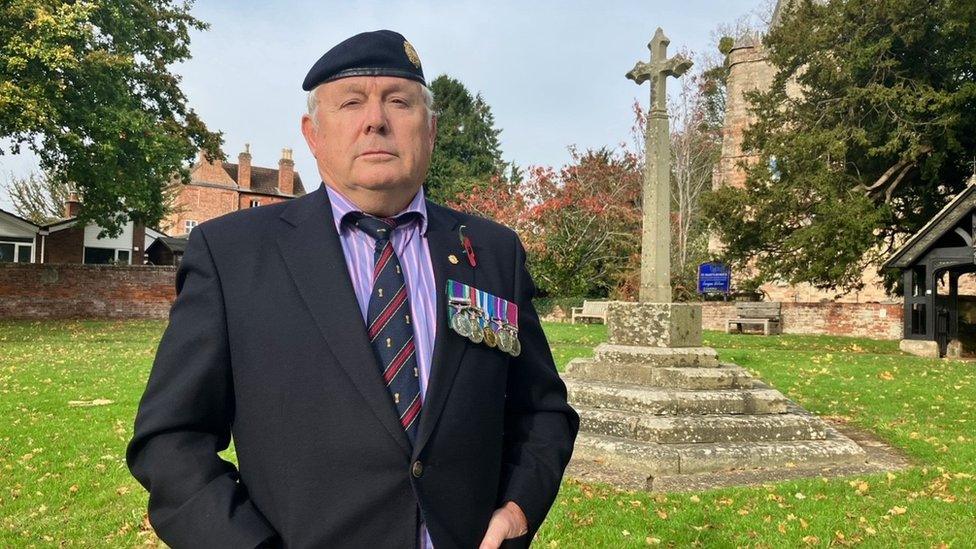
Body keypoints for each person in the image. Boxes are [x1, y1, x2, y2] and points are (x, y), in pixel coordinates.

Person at [126, 29, 579, 549]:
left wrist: (518, 511)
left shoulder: (492, 252)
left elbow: (543, 410)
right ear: (312, 134)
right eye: (351, 102)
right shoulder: (232, 254)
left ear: (430, 129)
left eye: (398, 101)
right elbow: (170, 440)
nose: (376, 120)